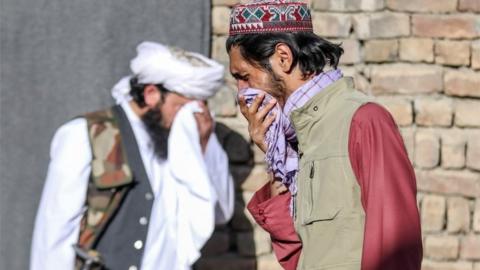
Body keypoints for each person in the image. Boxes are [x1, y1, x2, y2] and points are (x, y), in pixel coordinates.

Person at [226, 1, 423, 269]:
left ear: (283, 58)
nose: (241, 91)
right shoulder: (296, 137)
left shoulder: (364, 120)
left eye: (245, 76)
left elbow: (396, 247)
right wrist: (276, 155)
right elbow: (297, 256)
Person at [30, 41, 235, 270]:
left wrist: (204, 144)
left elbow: (218, 213)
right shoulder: (83, 135)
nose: (189, 119)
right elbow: (55, 230)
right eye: (181, 108)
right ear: (151, 95)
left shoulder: (182, 144)